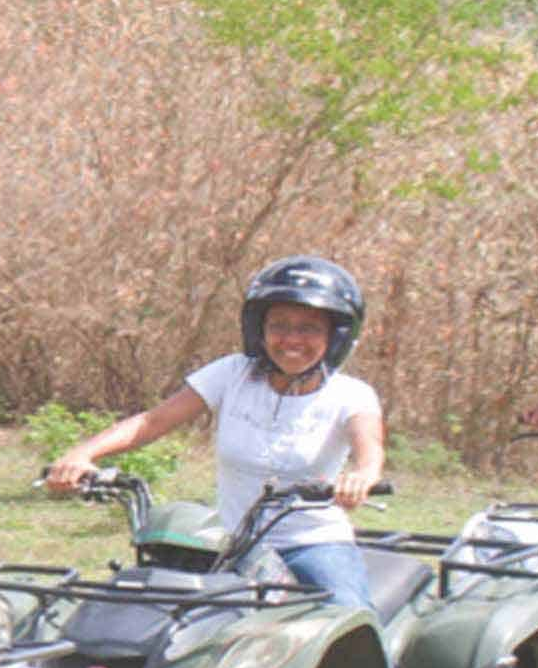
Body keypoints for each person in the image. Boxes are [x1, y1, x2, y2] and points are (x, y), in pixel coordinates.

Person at [42, 256, 387, 599]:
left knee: (347, 613)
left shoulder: (351, 395)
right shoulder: (233, 373)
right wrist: (83, 453)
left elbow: (368, 446)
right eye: (279, 325)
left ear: (336, 336)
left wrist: (362, 476)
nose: (291, 339)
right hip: (225, 544)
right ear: (259, 329)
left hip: (311, 544)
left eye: (309, 328)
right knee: (150, 607)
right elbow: (153, 421)